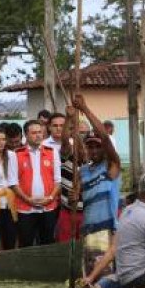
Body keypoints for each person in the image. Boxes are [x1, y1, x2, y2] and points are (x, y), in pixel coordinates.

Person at [73, 95, 121, 282]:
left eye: (97, 147)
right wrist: (73, 196)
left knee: (105, 277)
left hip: (107, 229)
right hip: (88, 229)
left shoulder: (111, 166)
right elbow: (76, 199)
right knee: (89, 277)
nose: (93, 151)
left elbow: (104, 136)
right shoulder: (82, 171)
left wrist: (84, 108)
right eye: (89, 147)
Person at [10, 120, 61, 247]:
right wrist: (28, 199)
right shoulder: (16, 154)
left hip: (48, 207)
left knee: (47, 243)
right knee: (26, 244)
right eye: (34, 133)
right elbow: (13, 183)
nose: (38, 135)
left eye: (40, 132)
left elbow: (58, 181)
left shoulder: (52, 152)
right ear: (26, 135)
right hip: (25, 208)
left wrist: (50, 198)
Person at [55, 100, 92, 243]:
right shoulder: (68, 155)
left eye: (83, 133)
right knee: (66, 247)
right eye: (77, 133)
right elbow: (64, 141)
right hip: (68, 212)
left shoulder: (94, 161)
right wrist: (68, 118)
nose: (80, 136)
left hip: (88, 213)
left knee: (86, 249)